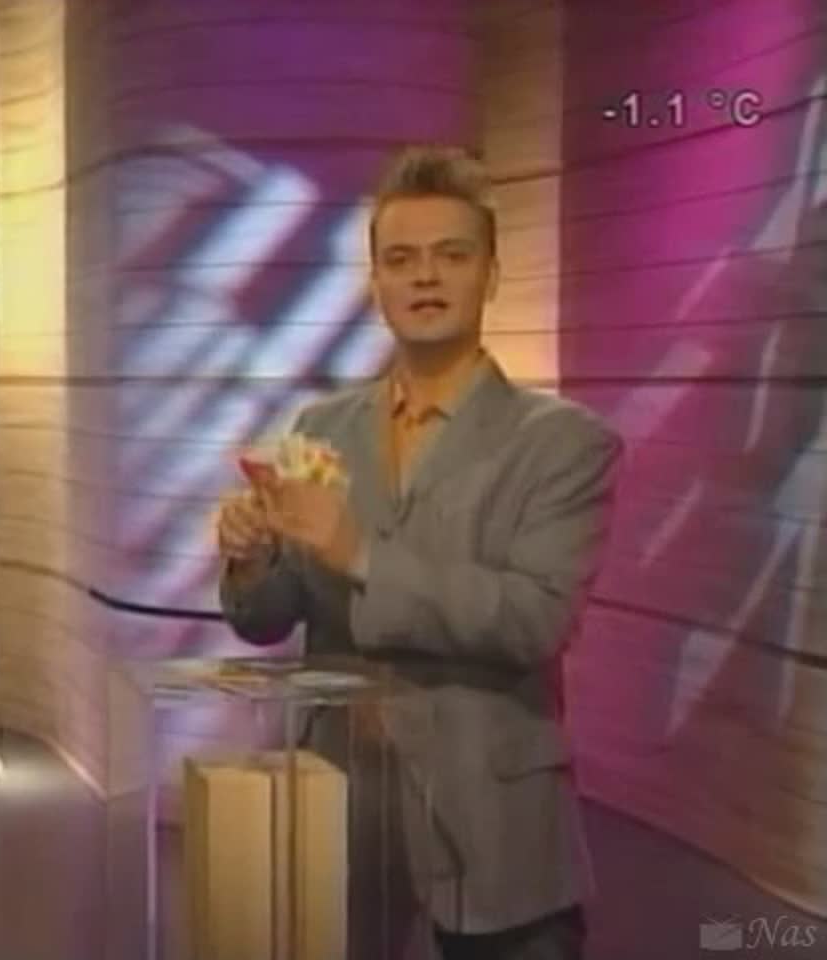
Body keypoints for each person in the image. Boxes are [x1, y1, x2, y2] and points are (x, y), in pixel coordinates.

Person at [215, 143, 623, 960]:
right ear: (375, 283)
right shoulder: (320, 428)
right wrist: (252, 558)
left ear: (490, 274)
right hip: (343, 805)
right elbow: (267, 620)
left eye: (451, 255)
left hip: (493, 826)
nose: (425, 277)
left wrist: (361, 552)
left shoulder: (565, 444)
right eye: (401, 260)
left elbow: (533, 618)